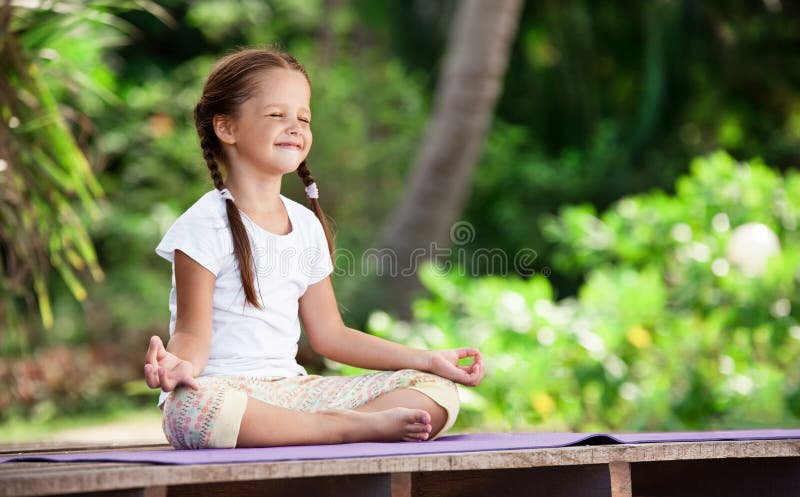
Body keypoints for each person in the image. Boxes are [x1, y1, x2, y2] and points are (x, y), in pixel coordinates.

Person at [143, 48, 484, 450]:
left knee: (435, 392)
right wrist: (179, 366)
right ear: (226, 127)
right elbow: (191, 333)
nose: (295, 127)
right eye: (276, 115)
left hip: (292, 393)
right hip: (222, 390)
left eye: (303, 117)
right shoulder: (203, 224)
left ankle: (322, 426)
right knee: (194, 412)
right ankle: (346, 428)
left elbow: (330, 336)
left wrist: (427, 359)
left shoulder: (305, 224)